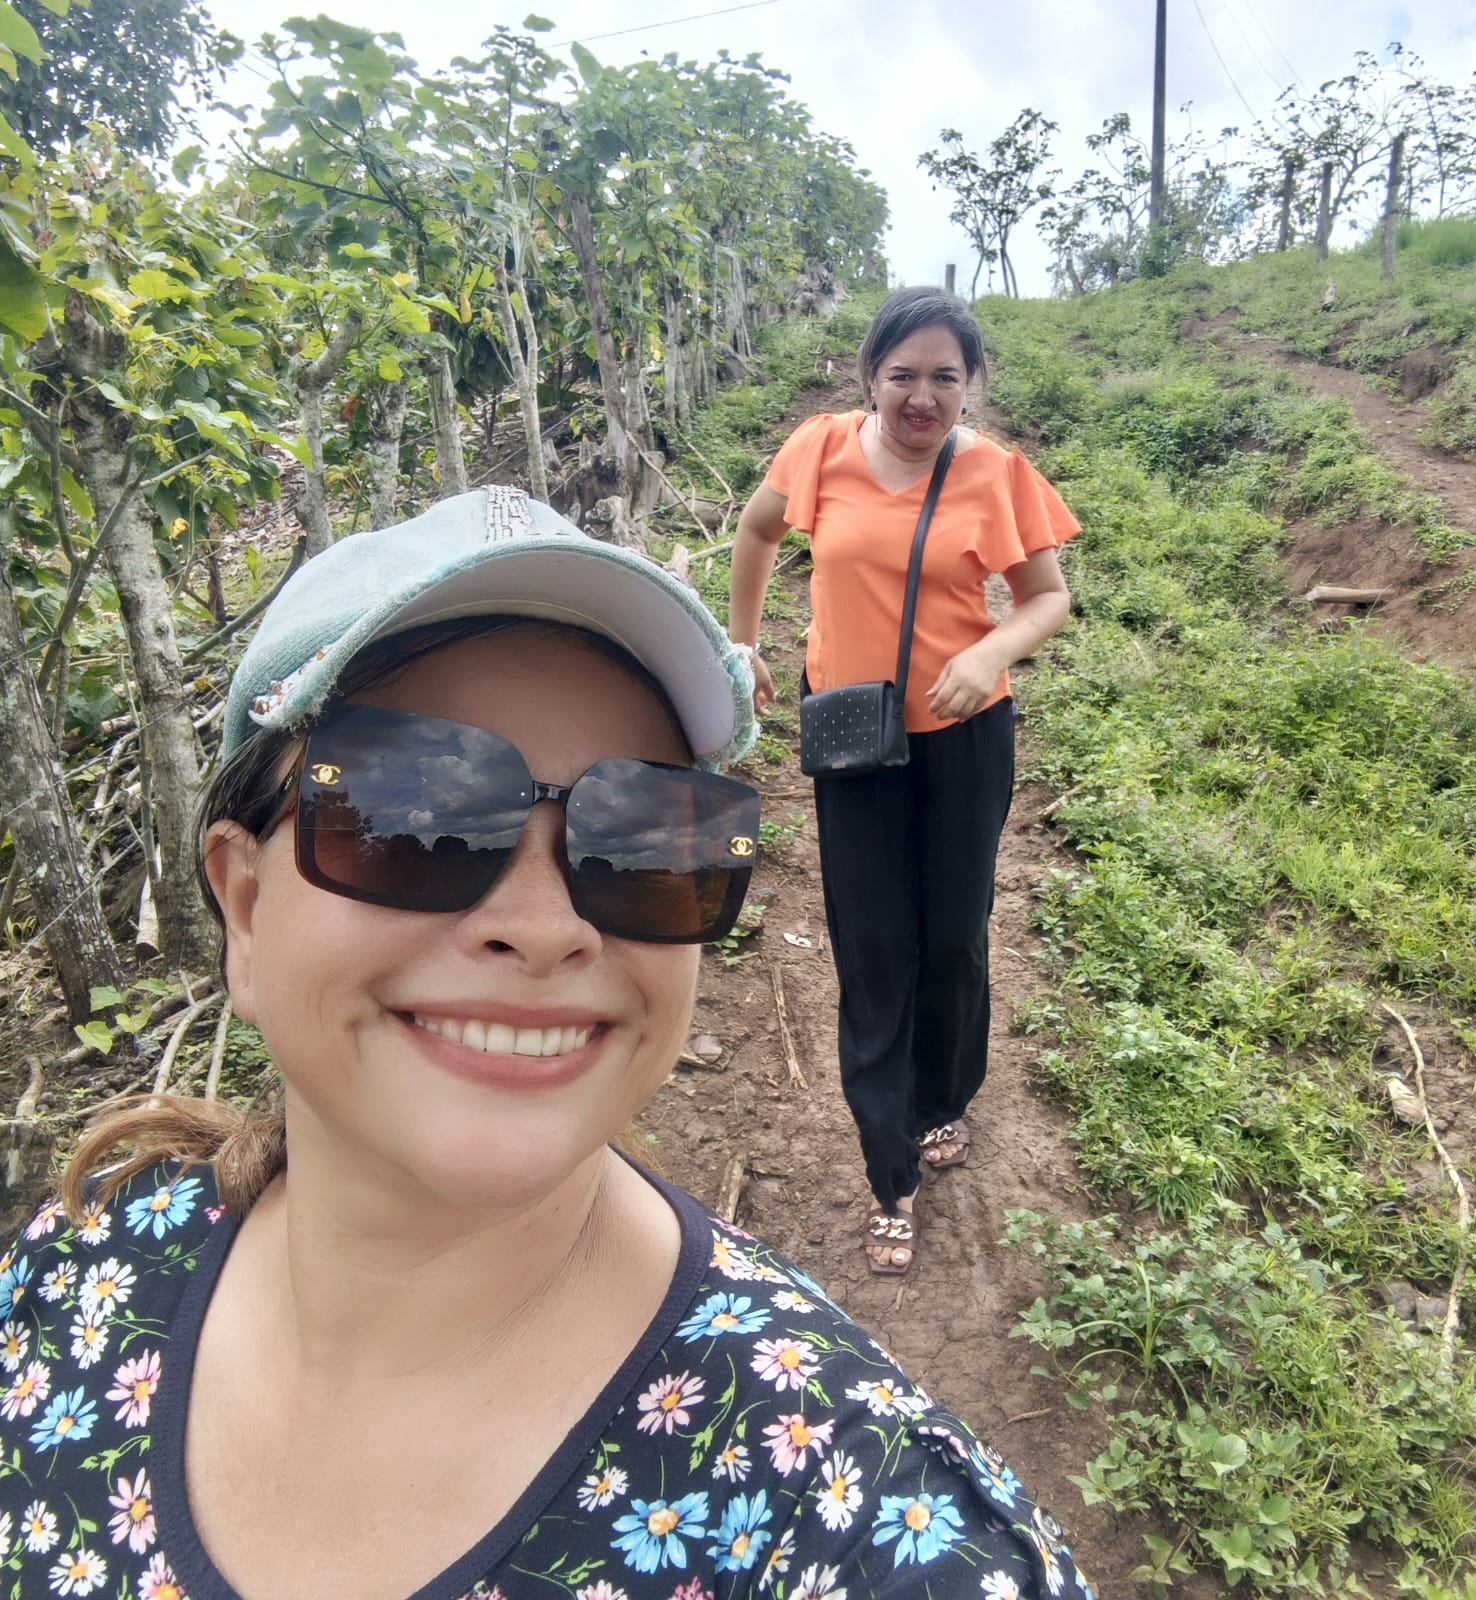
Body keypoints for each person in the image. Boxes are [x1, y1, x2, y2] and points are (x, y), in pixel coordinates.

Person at [0, 486, 1093, 1600]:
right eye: (410, 815)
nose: (545, 925)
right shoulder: (80, 1266)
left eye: (645, 837)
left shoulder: (854, 1518)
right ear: (243, 906)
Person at [729, 289, 1080, 1275]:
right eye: (902, 375)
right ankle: (892, 1172)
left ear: (970, 385)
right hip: (856, 733)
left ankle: (942, 1098)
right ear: (869, 377)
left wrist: (989, 652)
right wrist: (742, 640)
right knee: (873, 945)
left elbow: (1047, 598)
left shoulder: (996, 473)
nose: (921, 397)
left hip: (966, 735)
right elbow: (756, 533)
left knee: (954, 936)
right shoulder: (818, 450)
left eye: (944, 378)